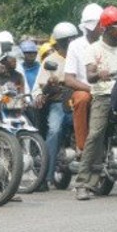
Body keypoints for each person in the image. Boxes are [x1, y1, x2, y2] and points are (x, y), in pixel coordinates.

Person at [74, 6, 117, 201]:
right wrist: (99, 74)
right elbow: (90, 75)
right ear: (108, 28)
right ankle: (82, 183)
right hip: (103, 96)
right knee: (95, 134)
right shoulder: (93, 50)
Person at [33, 22, 77, 191]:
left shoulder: (81, 55)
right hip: (59, 103)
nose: (71, 42)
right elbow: (41, 87)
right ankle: (45, 176)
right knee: (54, 130)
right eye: (67, 40)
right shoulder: (50, 61)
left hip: (78, 101)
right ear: (59, 42)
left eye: (73, 38)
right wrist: (50, 85)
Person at [63, 3, 103, 153]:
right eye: (98, 24)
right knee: (82, 98)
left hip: (106, 89)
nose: (101, 28)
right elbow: (69, 79)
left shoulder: (107, 44)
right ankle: (83, 148)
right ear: (87, 27)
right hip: (85, 90)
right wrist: (90, 89)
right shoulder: (75, 45)